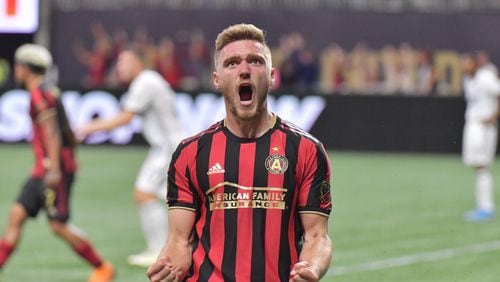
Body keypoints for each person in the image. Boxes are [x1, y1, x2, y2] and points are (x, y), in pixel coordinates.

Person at [147, 23, 333, 282]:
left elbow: (317, 236)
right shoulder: (190, 154)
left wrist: (311, 267)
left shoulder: (306, 150)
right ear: (217, 79)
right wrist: (170, 268)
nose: (244, 70)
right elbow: (179, 240)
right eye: (232, 63)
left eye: (255, 61)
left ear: (271, 76)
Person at [0, 44, 115, 281]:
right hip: (44, 169)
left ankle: (102, 267)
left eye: (18, 67)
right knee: (17, 214)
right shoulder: (51, 92)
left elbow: (51, 132)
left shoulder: (39, 95)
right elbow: (67, 131)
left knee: (58, 226)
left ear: (23, 69)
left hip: (52, 170)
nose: (16, 72)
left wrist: (54, 168)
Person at [77, 47, 184, 267]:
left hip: (168, 149)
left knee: (144, 194)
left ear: (139, 62)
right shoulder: (148, 80)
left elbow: (124, 118)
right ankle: (167, 248)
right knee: (163, 197)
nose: (120, 67)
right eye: (118, 63)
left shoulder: (145, 81)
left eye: (124, 62)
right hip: (168, 147)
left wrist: (89, 127)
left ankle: (160, 251)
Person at [461, 52, 500, 221]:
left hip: (484, 127)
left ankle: (487, 207)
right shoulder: (468, 80)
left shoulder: (485, 77)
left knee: (482, 164)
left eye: (467, 63)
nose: (464, 66)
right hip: (473, 125)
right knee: (476, 165)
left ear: (474, 64)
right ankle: (481, 206)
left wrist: (495, 115)